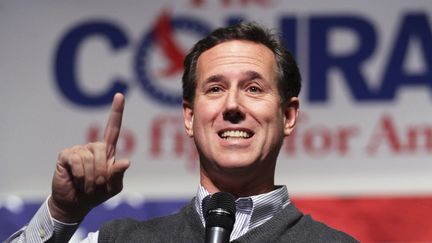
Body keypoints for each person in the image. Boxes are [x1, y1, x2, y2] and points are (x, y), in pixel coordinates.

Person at [6, 22, 358, 242]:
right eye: (215, 89)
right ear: (189, 117)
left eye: (253, 88)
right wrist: (62, 213)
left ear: (288, 115)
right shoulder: (122, 240)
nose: (232, 105)